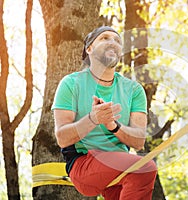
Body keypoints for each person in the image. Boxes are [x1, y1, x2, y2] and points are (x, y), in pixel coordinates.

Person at [51, 26, 157, 200]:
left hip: (121, 169)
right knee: (145, 168)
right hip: (83, 163)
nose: (113, 43)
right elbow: (62, 138)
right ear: (89, 48)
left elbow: (138, 142)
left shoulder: (134, 90)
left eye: (117, 41)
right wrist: (93, 119)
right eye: (105, 38)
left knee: (139, 172)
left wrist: (113, 126)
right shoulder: (71, 83)